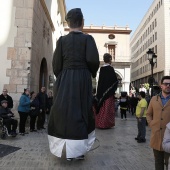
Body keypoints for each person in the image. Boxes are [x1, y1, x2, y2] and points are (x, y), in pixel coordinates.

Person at [48, 8, 99, 160]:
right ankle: (77, 151)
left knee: (62, 111)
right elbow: (93, 61)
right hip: (82, 79)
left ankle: (67, 150)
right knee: (81, 111)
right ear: (82, 22)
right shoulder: (88, 39)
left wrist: (63, 76)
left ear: (68, 23)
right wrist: (90, 74)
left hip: (64, 79)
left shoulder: (62, 40)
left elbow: (56, 64)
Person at [146, 76, 170, 170]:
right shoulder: (154, 99)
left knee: (168, 163)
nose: (168, 86)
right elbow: (148, 114)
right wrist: (152, 124)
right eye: (166, 84)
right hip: (156, 136)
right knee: (158, 162)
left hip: (169, 138)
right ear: (161, 86)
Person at [95, 53, 118, 129]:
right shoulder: (111, 69)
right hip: (109, 93)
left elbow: (100, 81)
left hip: (102, 91)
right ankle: (106, 124)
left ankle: (100, 123)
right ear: (109, 59)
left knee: (102, 106)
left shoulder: (101, 69)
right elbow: (114, 80)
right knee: (108, 109)